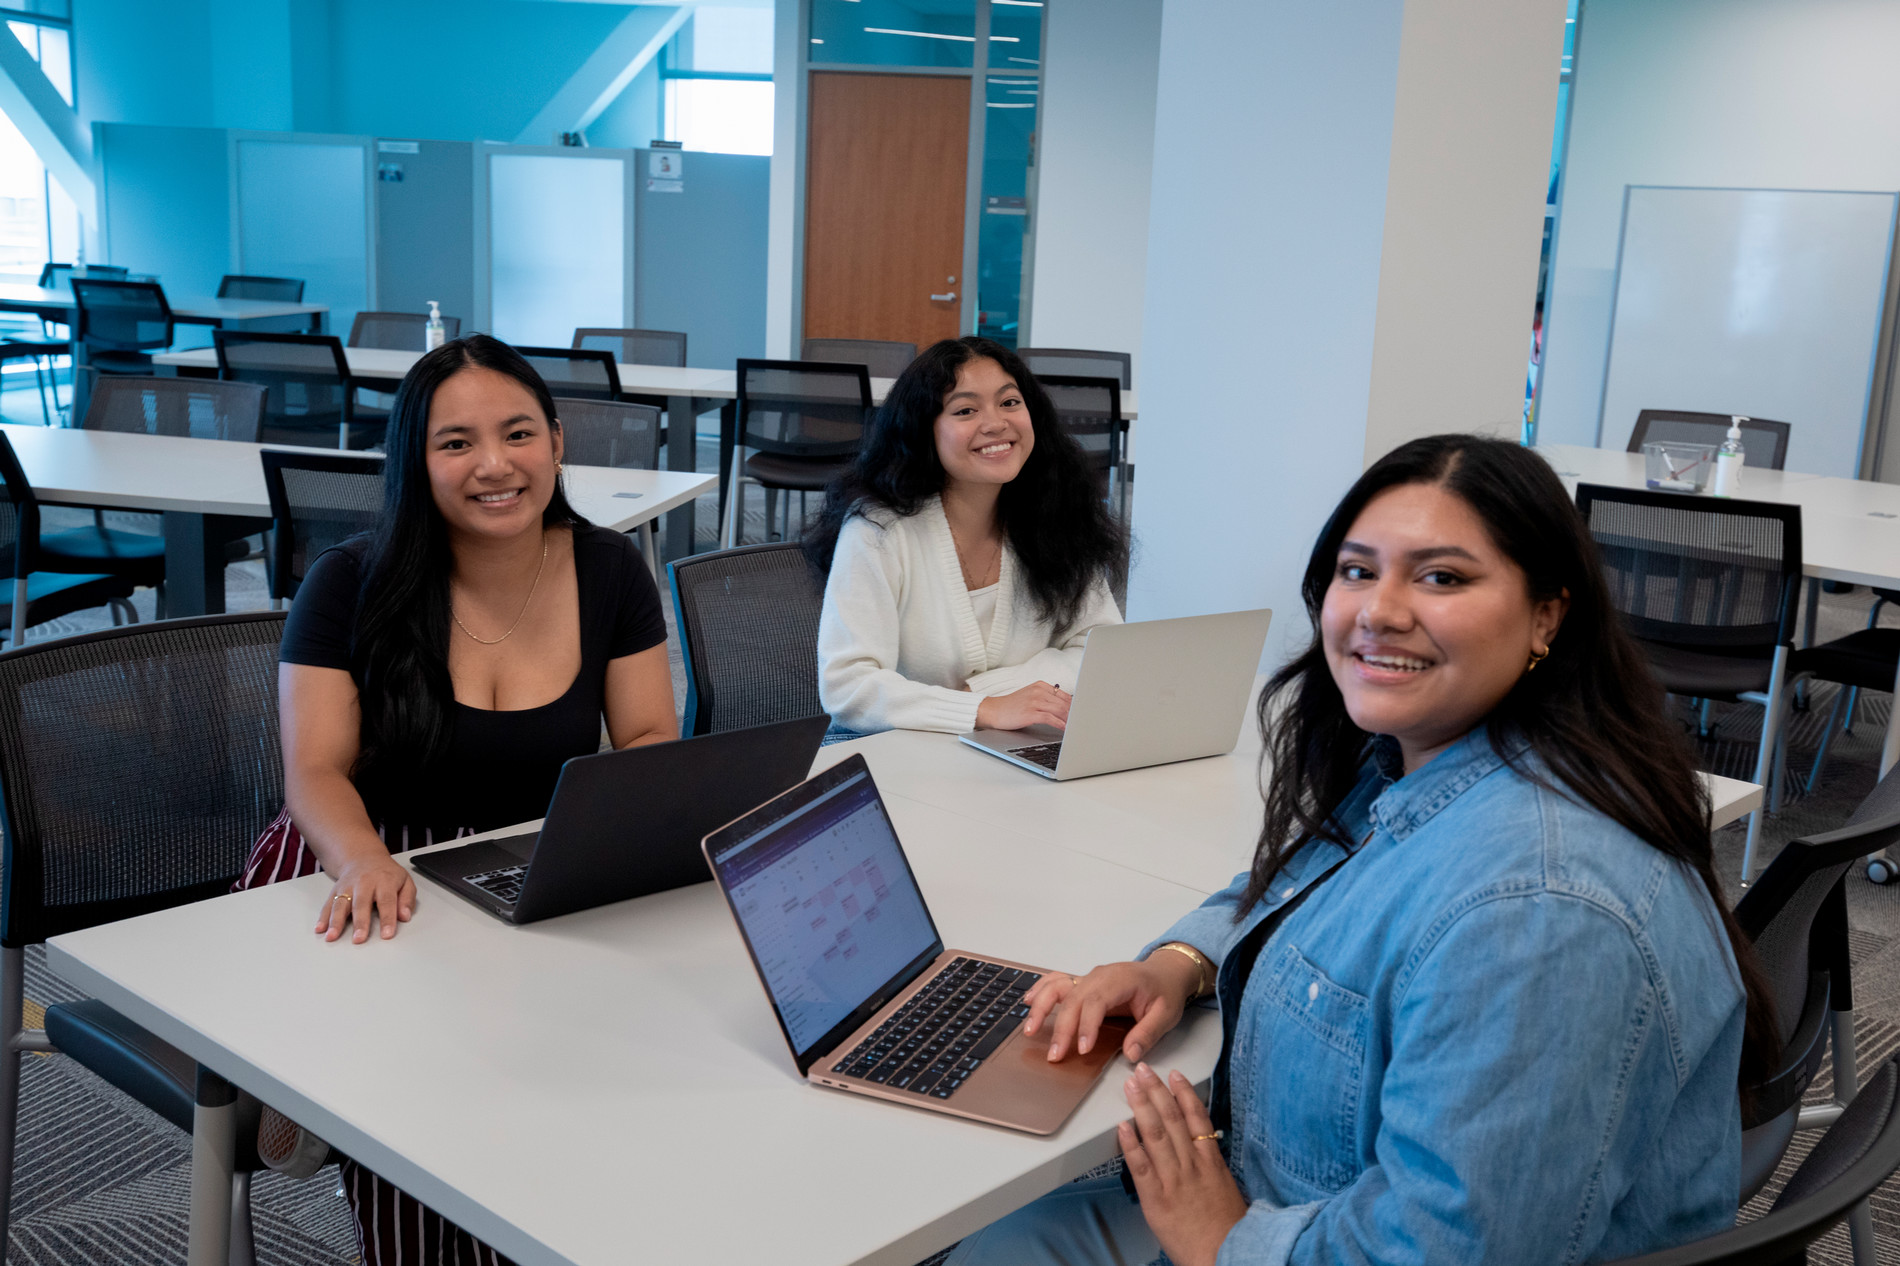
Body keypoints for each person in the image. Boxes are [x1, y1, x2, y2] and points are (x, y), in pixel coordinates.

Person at [947, 434, 1777, 1266]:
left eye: (1442, 577)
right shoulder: (1447, 766)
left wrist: (1217, 1242)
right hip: (1286, 1199)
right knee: (991, 1232)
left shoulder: (1538, 912)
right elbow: (1312, 880)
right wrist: (1179, 962)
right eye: (1357, 571)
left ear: (1547, 615)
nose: (1379, 610)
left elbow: (1445, 1253)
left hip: (1294, 1236)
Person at [235, 333, 676, 1265]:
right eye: (455, 444)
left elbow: (646, 739)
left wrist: (614, 834)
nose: (494, 465)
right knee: (425, 1109)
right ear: (415, 461)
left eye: (518, 433)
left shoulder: (609, 570)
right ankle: (312, 1085)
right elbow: (314, 770)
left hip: (527, 850)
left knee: (607, 1062)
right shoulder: (351, 580)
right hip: (362, 849)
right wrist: (361, 859)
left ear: (557, 442)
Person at [804, 336, 1125, 735]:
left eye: (1010, 402)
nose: (995, 424)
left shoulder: (1058, 513)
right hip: (894, 745)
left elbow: (1101, 647)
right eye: (965, 410)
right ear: (924, 429)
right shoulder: (878, 529)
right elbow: (849, 688)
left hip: (1016, 740)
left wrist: (988, 693)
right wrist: (983, 709)